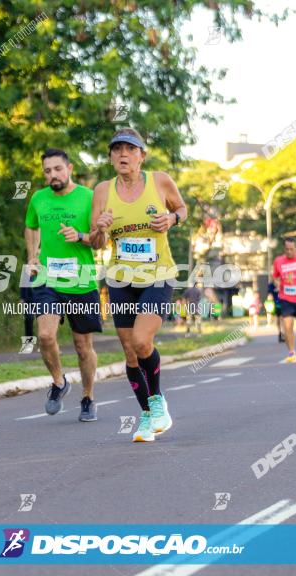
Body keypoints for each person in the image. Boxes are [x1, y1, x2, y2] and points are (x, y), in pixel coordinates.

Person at [89, 128, 188, 442]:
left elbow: (182, 209)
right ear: (110, 157)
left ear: (141, 156)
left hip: (157, 275)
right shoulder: (102, 191)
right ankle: (147, 415)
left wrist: (172, 220)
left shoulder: (160, 181)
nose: (123, 155)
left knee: (143, 341)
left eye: (130, 150)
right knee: (130, 353)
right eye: (116, 149)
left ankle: (157, 402)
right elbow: (95, 242)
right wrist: (101, 229)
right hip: (121, 279)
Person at [24, 148, 103, 422]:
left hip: (81, 280)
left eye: (57, 169)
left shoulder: (89, 197)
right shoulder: (38, 198)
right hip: (47, 278)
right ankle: (59, 382)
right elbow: (31, 226)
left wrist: (80, 235)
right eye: (47, 171)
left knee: (83, 346)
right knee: (45, 335)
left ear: (69, 169)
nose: (52, 175)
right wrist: (32, 255)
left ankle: (88, 397)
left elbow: (100, 239)